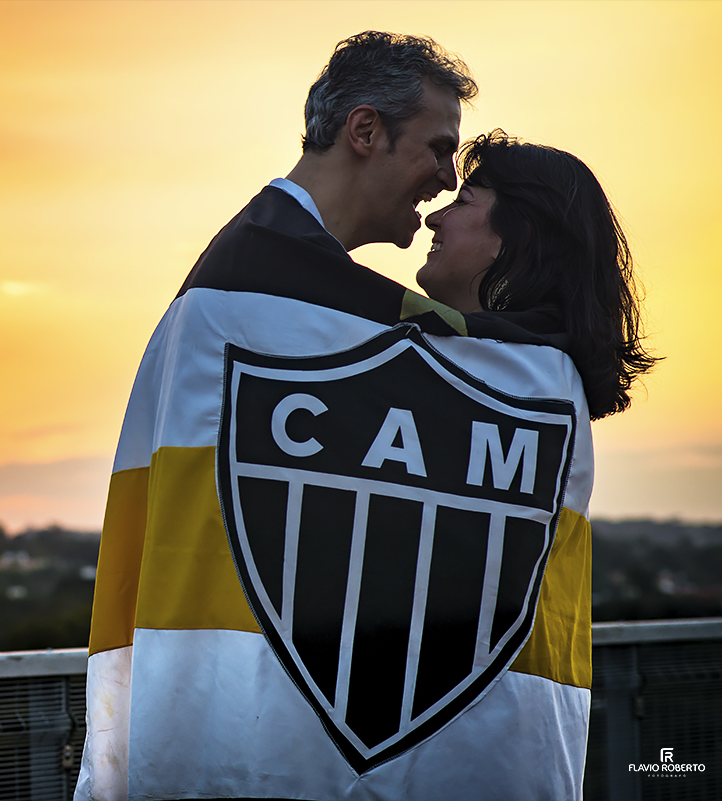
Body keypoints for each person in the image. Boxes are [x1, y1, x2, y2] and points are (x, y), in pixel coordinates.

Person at [76, 32, 594, 801]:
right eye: (438, 147)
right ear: (364, 131)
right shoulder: (244, 299)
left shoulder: (264, 289)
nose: (445, 181)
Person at [417, 129, 657, 420]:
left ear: (518, 236)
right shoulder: (557, 385)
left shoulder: (518, 385)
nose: (432, 219)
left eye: (462, 201)